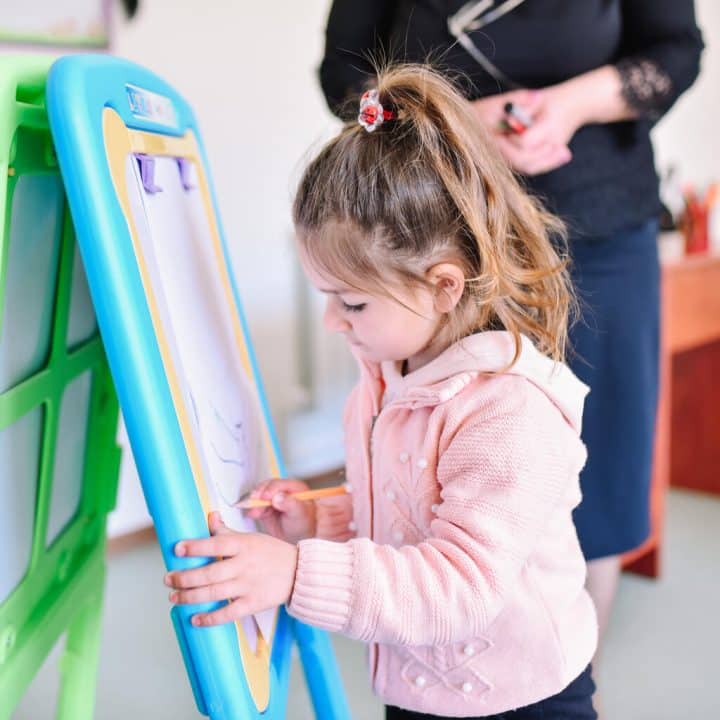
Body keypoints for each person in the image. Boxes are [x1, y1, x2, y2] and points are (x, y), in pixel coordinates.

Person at [165, 65, 599, 719]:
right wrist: (326, 521)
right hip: (419, 677)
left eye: (352, 303)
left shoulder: (510, 412)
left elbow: (459, 584)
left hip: (521, 695)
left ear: (444, 285)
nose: (333, 322)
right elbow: (413, 500)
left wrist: (292, 573)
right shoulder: (390, 373)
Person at [317, 0, 704, 652]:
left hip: (600, 228)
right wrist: (459, 123)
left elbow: (675, 50)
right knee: (437, 462)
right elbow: (345, 79)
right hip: (440, 230)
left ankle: (567, 670)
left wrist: (571, 104)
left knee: (601, 470)